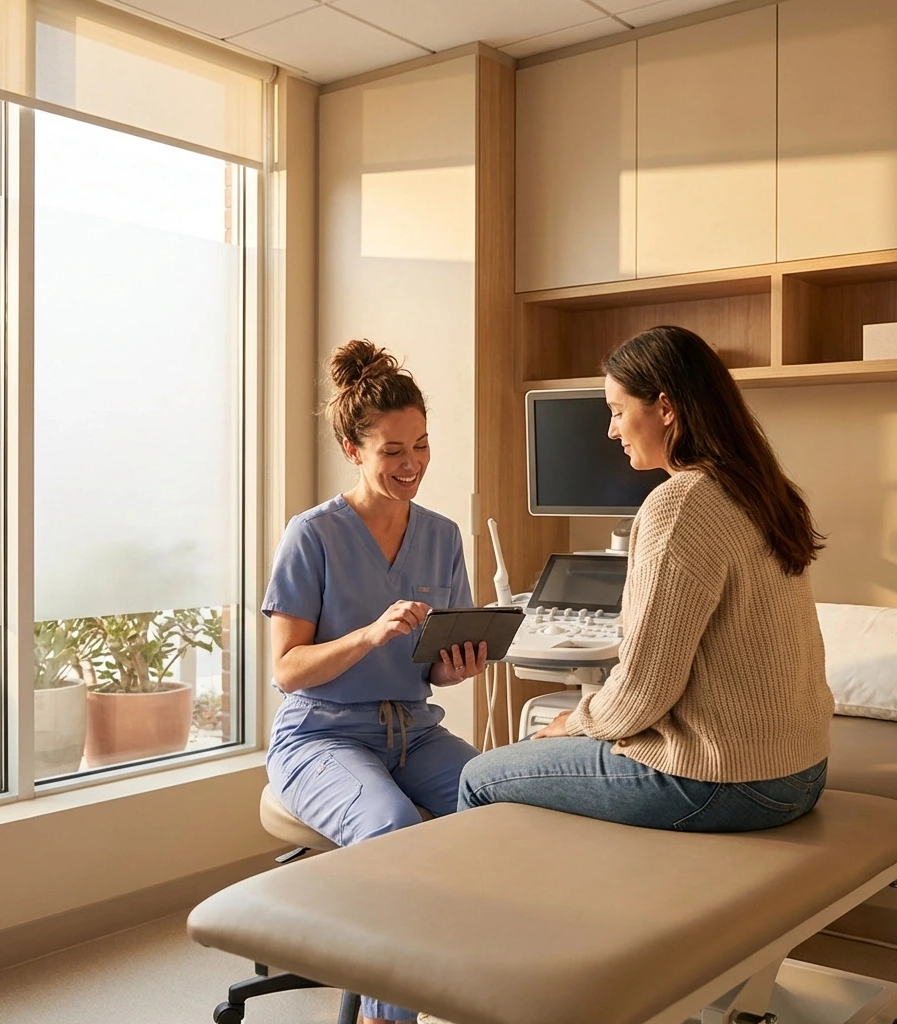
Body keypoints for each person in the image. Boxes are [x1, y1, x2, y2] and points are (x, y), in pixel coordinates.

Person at [458, 325, 835, 833]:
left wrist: (574, 721)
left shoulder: (680, 505)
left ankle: (501, 910)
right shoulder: (766, 492)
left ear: (665, 408)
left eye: (616, 411)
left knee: (479, 776)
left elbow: (643, 690)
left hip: (725, 782)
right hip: (803, 772)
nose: (611, 430)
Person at [264, 339, 486, 1024]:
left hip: (414, 734)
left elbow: (435, 669)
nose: (411, 464)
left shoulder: (443, 536)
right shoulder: (313, 535)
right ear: (353, 449)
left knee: (504, 814)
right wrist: (369, 633)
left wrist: (454, 668)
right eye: (393, 451)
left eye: (421, 445)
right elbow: (286, 669)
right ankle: (385, 1017)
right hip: (323, 738)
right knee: (392, 835)